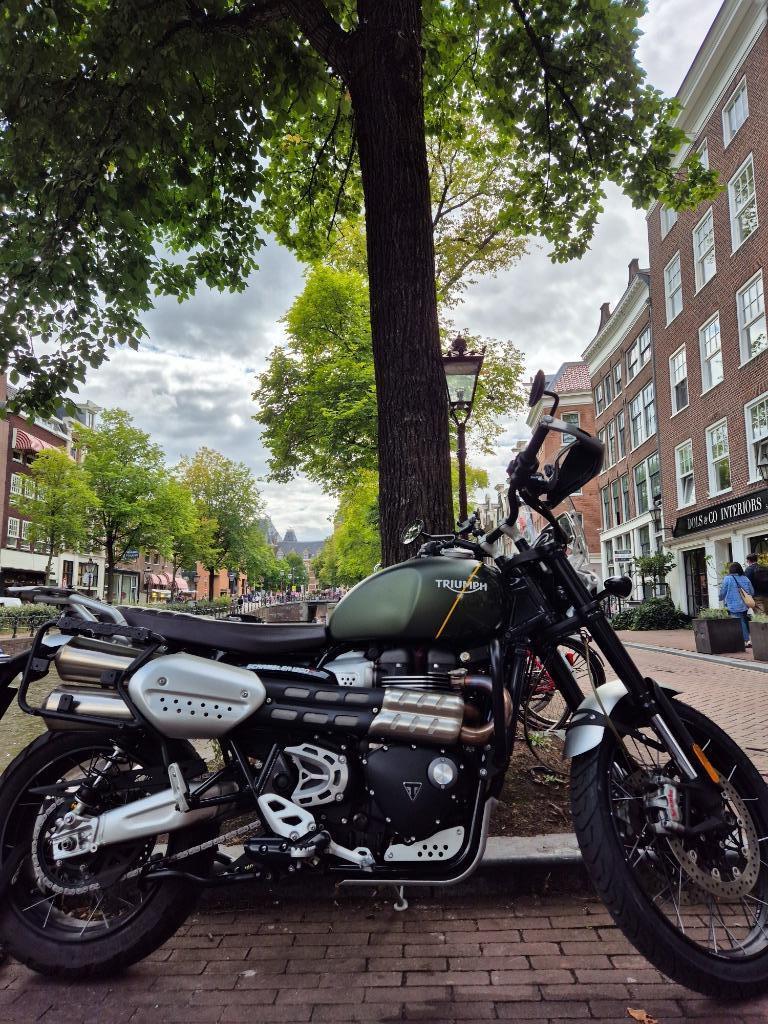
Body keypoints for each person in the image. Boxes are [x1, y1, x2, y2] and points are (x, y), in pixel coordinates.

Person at [719, 562, 755, 648]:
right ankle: (741, 640)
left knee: (740, 621)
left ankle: (747, 640)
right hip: (745, 604)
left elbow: (723, 591)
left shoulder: (728, 578)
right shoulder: (745, 578)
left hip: (733, 604)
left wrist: (720, 598)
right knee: (743, 620)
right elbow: (752, 591)